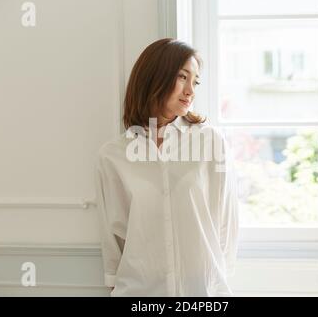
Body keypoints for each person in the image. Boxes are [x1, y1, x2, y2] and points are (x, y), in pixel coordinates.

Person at [94, 38, 239, 296]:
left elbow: (225, 223)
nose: (190, 91)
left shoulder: (209, 142)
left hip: (201, 292)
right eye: (182, 77)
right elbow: (114, 239)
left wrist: (216, 286)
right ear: (154, 77)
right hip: (140, 293)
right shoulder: (113, 156)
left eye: (195, 81)